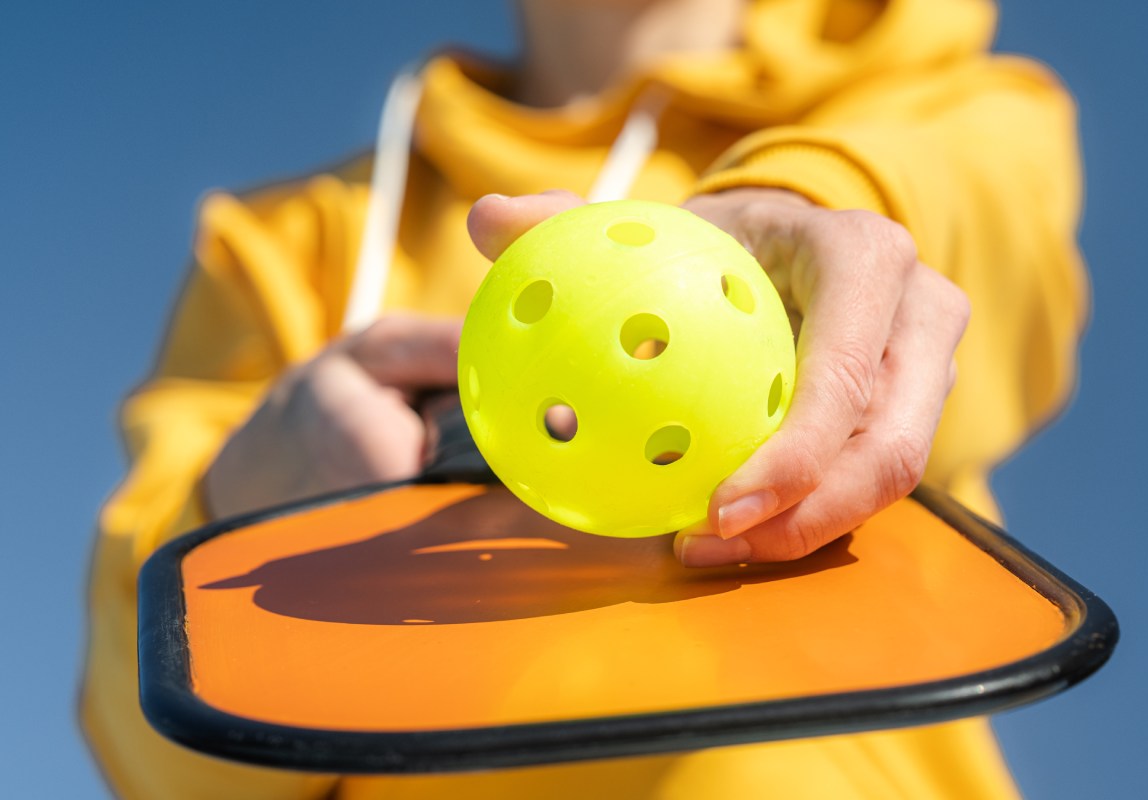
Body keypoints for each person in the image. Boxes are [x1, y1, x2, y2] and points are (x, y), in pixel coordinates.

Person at [80, 0, 1087, 797]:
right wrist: (240, 510)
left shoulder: (952, 106)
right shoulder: (280, 248)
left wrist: (818, 206)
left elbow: (991, 248)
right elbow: (160, 760)